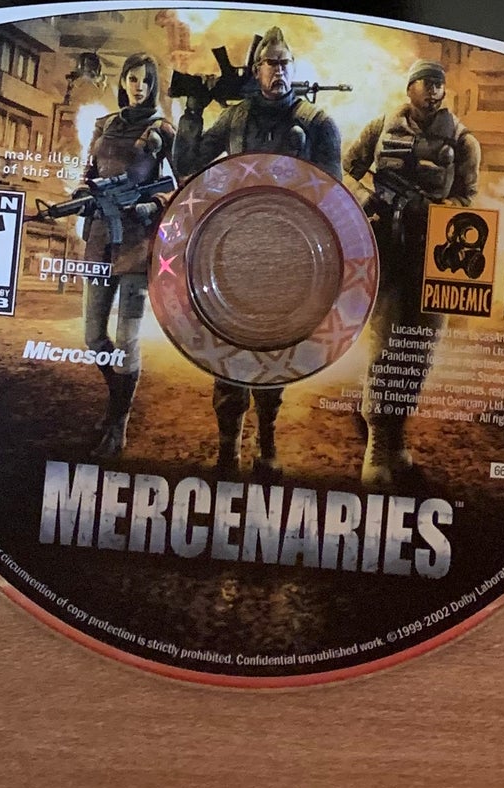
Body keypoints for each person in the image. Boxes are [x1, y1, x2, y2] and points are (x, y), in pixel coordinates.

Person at [175, 27, 342, 478]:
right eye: (271, 63)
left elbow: (334, 199)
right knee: (229, 357)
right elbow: (187, 165)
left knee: (273, 354)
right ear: (257, 70)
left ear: (293, 68)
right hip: (233, 252)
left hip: (291, 258)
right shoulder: (234, 119)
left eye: (285, 63)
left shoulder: (317, 123)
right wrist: (193, 110)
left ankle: (266, 443)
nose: (279, 71)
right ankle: (228, 448)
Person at [345, 60, 481, 488]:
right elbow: (347, 167)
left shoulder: (463, 140)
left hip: (437, 254)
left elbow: (468, 198)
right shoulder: (381, 126)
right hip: (387, 250)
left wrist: (435, 210)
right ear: (410, 88)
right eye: (427, 83)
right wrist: (367, 200)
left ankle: (397, 438)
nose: (434, 91)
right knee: (385, 347)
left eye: (440, 84)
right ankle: (377, 444)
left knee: (418, 354)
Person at [63, 55, 175, 461]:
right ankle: (118, 401)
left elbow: (178, 185)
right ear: (123, 81)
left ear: (153, 85)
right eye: (132, 79)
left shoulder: (162, 130)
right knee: (94, 337)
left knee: (126, 340)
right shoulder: (105, 125)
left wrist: (151, 206)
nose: (138, 86)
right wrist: (81, 193)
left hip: (137, 246)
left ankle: (118, 425)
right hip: (100, 241)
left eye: (146, 80)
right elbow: (89, 171)